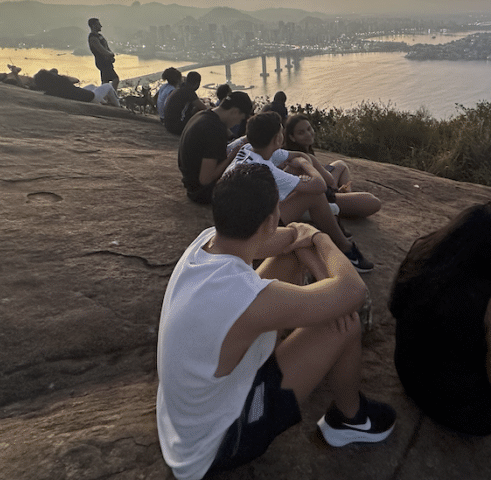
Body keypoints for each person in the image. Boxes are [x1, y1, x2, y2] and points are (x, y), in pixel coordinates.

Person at [156, 164, 396, 479]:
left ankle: (312, 331)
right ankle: (351, 419)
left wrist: (312, 258)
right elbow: (354, 292)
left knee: (293, 258)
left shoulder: (207, 241)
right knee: (345, 323)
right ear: (271, 220)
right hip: (218, 443)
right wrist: (322, 238)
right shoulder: (248, 298)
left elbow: (290, 240)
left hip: (188, 420)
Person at [389, 202, 491, 436]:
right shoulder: (488, 304)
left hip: (413, 383)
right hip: (472, 416)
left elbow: (460, 292)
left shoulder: (420, 257)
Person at [227, 113, 375, 272]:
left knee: (303, 182)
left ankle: (332, 223)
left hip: (234, 223)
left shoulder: (249, 149)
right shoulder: (265, 171)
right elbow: (320, 185)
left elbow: (300, 155)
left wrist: (302, 162)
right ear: (278, 139)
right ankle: (346, 248)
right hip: (251, 236)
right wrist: (307, 166)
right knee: (313, 195)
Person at [283, 114, 381, 219]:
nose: (308, 134)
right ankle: (345, 199)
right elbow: (329, 181)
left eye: (309, 129)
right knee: (373, 202)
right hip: (318, 197)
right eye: (301, 133)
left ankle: (346, 193)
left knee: (340, 164)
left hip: (321, 188)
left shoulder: (295, 153)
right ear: (292, 137)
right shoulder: (301, 158)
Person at [178, 91, 253, 204]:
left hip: (190, 182)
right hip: (201, 191)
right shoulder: (215, 130)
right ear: (235, 111)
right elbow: (205, 180)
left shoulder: (203, 115)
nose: (238, 123)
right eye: (240, 119)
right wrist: (234, 154)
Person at [32, 69, 122, 107]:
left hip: (81, 96)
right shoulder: (63, 82)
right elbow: (76, 80)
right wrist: (59, 76)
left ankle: (105, 103)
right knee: (108, 86)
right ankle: (118, 106)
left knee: (92, 86)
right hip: (90, 98)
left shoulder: (50, 90)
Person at [164, 71, 206, 135]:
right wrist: (207, 103)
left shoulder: (181, 87)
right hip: (176, 127)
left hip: (168, 125)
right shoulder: (189, 92)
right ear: (197, 84)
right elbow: (204, 108)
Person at [87, 18, 119, 89]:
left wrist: (111, 55)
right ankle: (112, 94)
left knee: (105, 81)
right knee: (115, 79)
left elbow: (106, 47)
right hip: (103, 62)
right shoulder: (93, 38)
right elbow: (100, 49)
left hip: (106, 61)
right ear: (93, 26)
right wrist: (110, 54)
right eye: (98, 24)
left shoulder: (99, 36)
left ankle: (106, 94)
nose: (101, 26)